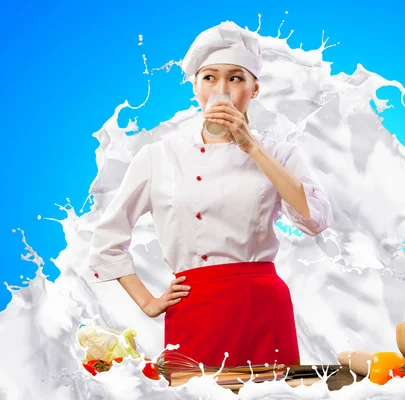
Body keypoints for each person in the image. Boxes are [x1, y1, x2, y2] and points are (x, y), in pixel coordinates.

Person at [87, 22, 334, 368]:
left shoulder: (279, 153)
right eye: (209, 78)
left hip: (262, 308)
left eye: (235, 78)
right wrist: (148, 302)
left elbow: (316, 219)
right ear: (195, 87)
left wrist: (252, 147)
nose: (222, 90)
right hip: (195, 308)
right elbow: (107, 239)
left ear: (255, 88)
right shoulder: (159, 157)